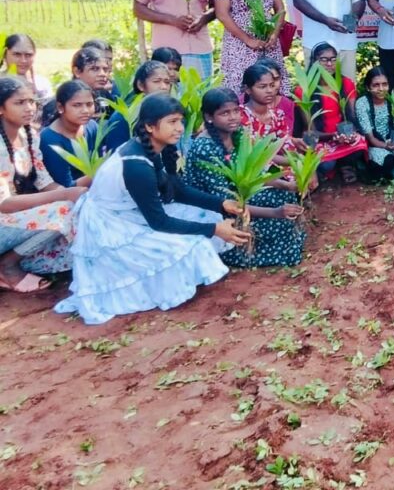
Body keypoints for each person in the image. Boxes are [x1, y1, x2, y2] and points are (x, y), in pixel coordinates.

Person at [54, 94, 250, 325]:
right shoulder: (136, 166)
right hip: (112, 225)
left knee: (210, 216)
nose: (179, 128)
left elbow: (177, 190)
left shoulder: (151, 148)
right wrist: (214, 230)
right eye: (172, 122)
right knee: (195, 243)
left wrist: (221, 203)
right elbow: (159, 222)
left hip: (131, 213)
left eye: (181, 121)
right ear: (149, 126)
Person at [185, 88, 305, 268]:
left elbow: (253, 173)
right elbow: (225, 201)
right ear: (209, 117)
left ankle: (281, 241)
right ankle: (241, 253)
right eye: (225, 113)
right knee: (276, 218)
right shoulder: (205, 148)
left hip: (239, 197)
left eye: (235, 111)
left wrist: (286, 186)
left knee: (283, 194)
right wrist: (275, 212)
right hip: (216, 208)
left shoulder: (238, 133)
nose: (233, 117)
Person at [0, 77, 85, 290]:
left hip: (13, 221)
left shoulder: (28, 135)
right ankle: (7, 265)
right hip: (3, 219)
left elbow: (44, 181)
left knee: (76, 230)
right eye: (19, 103)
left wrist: (75, 195)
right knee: (63, 211)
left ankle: (21, 260)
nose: (29, 108)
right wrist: (64, 196)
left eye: (31, 101)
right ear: (1, 108)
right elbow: (4, 203)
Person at [214, 0, 289, 95]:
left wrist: (274, 35)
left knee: (271, 84)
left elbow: (280, 9)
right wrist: (248, 40)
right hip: (239, 44)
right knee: (241, 88)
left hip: (268, 44)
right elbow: (222, 14)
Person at [298, 42, 367, 182]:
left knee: (360, 144)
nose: (329, 63)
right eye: (324, 59)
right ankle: (330, 168)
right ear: (314, 61)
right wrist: (333, 136)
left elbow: (352, 117)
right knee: (327, 164)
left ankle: (345, 164)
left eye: (333, 59)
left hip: (341, 137)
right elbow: (311, 130)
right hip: (320, 138)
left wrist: (348, 134)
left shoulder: (346, 83)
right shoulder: (304, 90)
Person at [101, 61, 174, 155]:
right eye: (156, 81)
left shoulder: (169, 114)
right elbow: (116, 156)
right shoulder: (123, 116)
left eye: (167, 82)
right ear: (140, 85)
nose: (164, 87)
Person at [40, 81, 99, 188]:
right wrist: (98, 173)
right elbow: (66, 186)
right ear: (60, 107)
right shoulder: (49, 139)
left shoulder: (92, 126)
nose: (85, 110)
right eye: (77, 105)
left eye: (89, 104)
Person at [240, 63, 297, 153]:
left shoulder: (277, 115)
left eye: (272, 85)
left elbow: (286, 145)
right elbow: (254, 153)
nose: (269, 91)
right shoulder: (240, 116)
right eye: (262, 87)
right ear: (248, 89)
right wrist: (289, 161)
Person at [3, 34, 53, 102]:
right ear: (5, 54)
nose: (23, 60)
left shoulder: (41, 83)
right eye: (17, 54)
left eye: (28, 55)